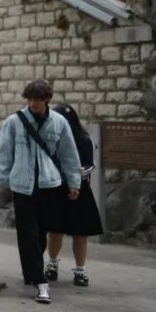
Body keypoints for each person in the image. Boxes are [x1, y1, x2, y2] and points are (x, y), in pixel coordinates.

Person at [0, 80, 81, 305]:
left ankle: (30, 272)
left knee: (41, 233)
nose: (33, 103)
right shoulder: (13, 122)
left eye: (38, 99)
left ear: (47, 99)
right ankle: (39, 280)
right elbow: (5, 153)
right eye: (30, 99)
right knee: (27, 233)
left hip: (49, 185)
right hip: (22, 186)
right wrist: (5, 179)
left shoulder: (59, 122)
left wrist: (74, 182)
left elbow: (69, 154)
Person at [44, 103, 103, 288]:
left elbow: (90, 164)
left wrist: (76, 175)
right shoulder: (51, 138)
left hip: (80, 191)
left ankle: (80, 270)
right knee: (55, 231)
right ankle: (52, 263)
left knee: (80, 234)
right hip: (57, 189)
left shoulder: (84, 139)